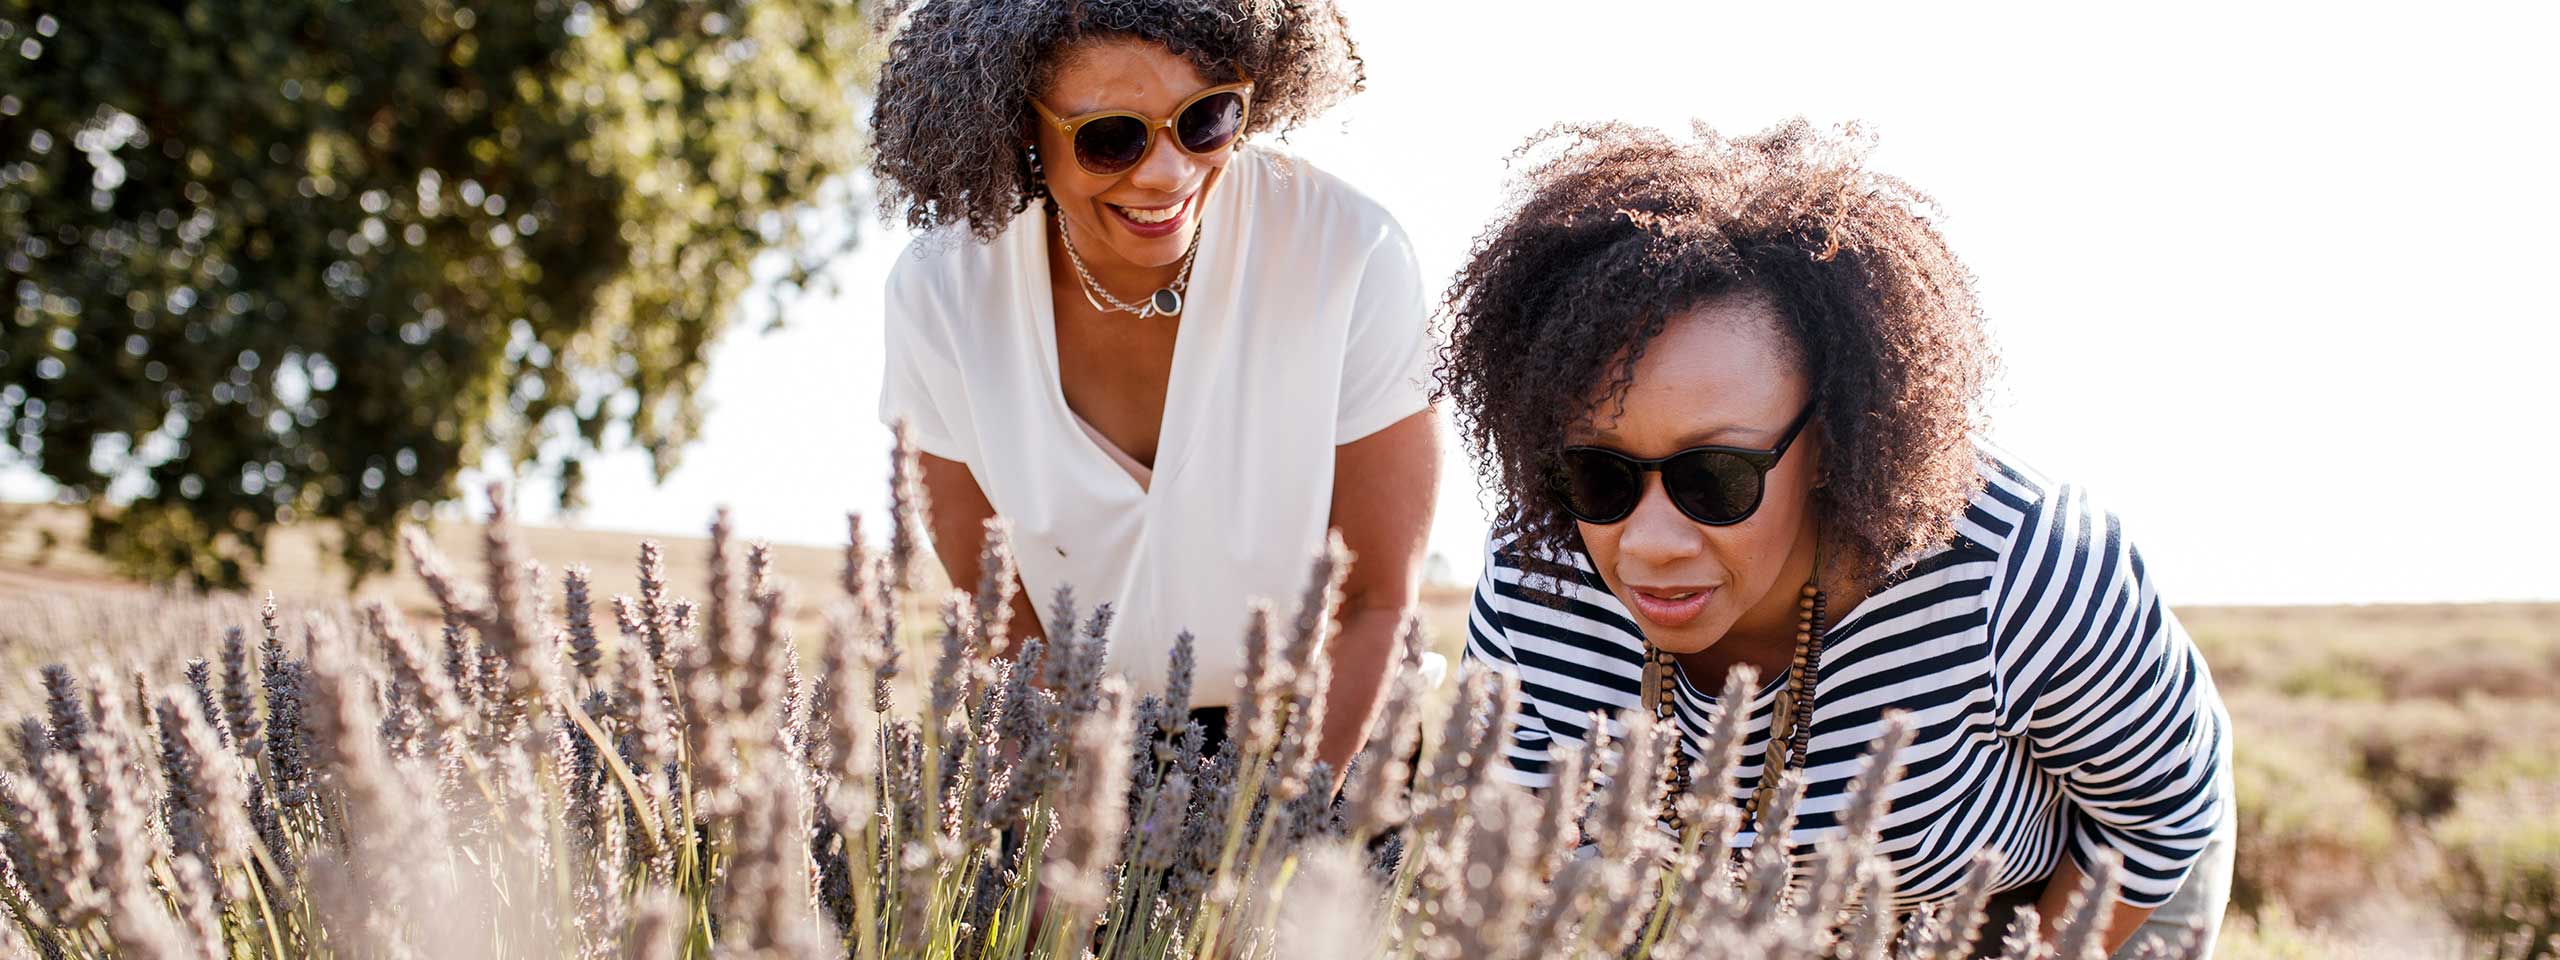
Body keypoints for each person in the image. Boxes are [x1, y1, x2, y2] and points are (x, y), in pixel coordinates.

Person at [1442, 120, 2233, 956]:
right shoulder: (1539, 566)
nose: (1650, 542)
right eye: (1598, 473)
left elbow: (2157, 814)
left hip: (2067, 892)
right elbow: (1516, 847)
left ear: (1827, 443)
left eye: (1714, 476)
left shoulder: (2020, 565)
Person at [868, 0, 1438, 772]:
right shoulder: (940, 295)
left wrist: (1274, 839)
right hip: (1071, 755)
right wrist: (1058, 838)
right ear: (1016, 125)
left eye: (1206, 119)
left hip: (1331, 740)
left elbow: (1375, 604)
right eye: (1110, 138)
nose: (1169, 172)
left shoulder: (1351, 252)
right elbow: (1004, 625)